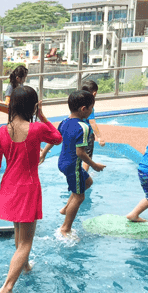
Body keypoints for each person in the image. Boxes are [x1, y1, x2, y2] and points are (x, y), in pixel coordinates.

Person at [0, 86, 62, 293]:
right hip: (28, 187)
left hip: (8, 187)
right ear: (32, 106)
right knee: (26, 241)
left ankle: (25, 264)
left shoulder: (0, 133)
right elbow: (57, 138)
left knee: (19, 230)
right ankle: (7, 287)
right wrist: (43, 116)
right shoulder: (37, 129)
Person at [41, 91, 106, 238]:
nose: (91, 111)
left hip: (62, 162)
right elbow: (80, 153)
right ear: (84, 109)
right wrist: (94, 165)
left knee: (88, 182)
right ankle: (65, 228)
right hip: (73, 166)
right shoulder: (84, 127)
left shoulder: (64, 122)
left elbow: (55, 139)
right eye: (91, 108)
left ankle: (66, 208)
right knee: (79, 197)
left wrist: (44, 153)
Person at [80, 80, 105, 172]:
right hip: (87, 134)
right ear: (94, 93)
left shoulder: (75, 102)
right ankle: (84, 175)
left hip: (77, 132)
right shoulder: (89, 106)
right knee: (87, 156)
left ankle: (77, 173)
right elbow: (92, 122)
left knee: (78, 154)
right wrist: (100, 137)